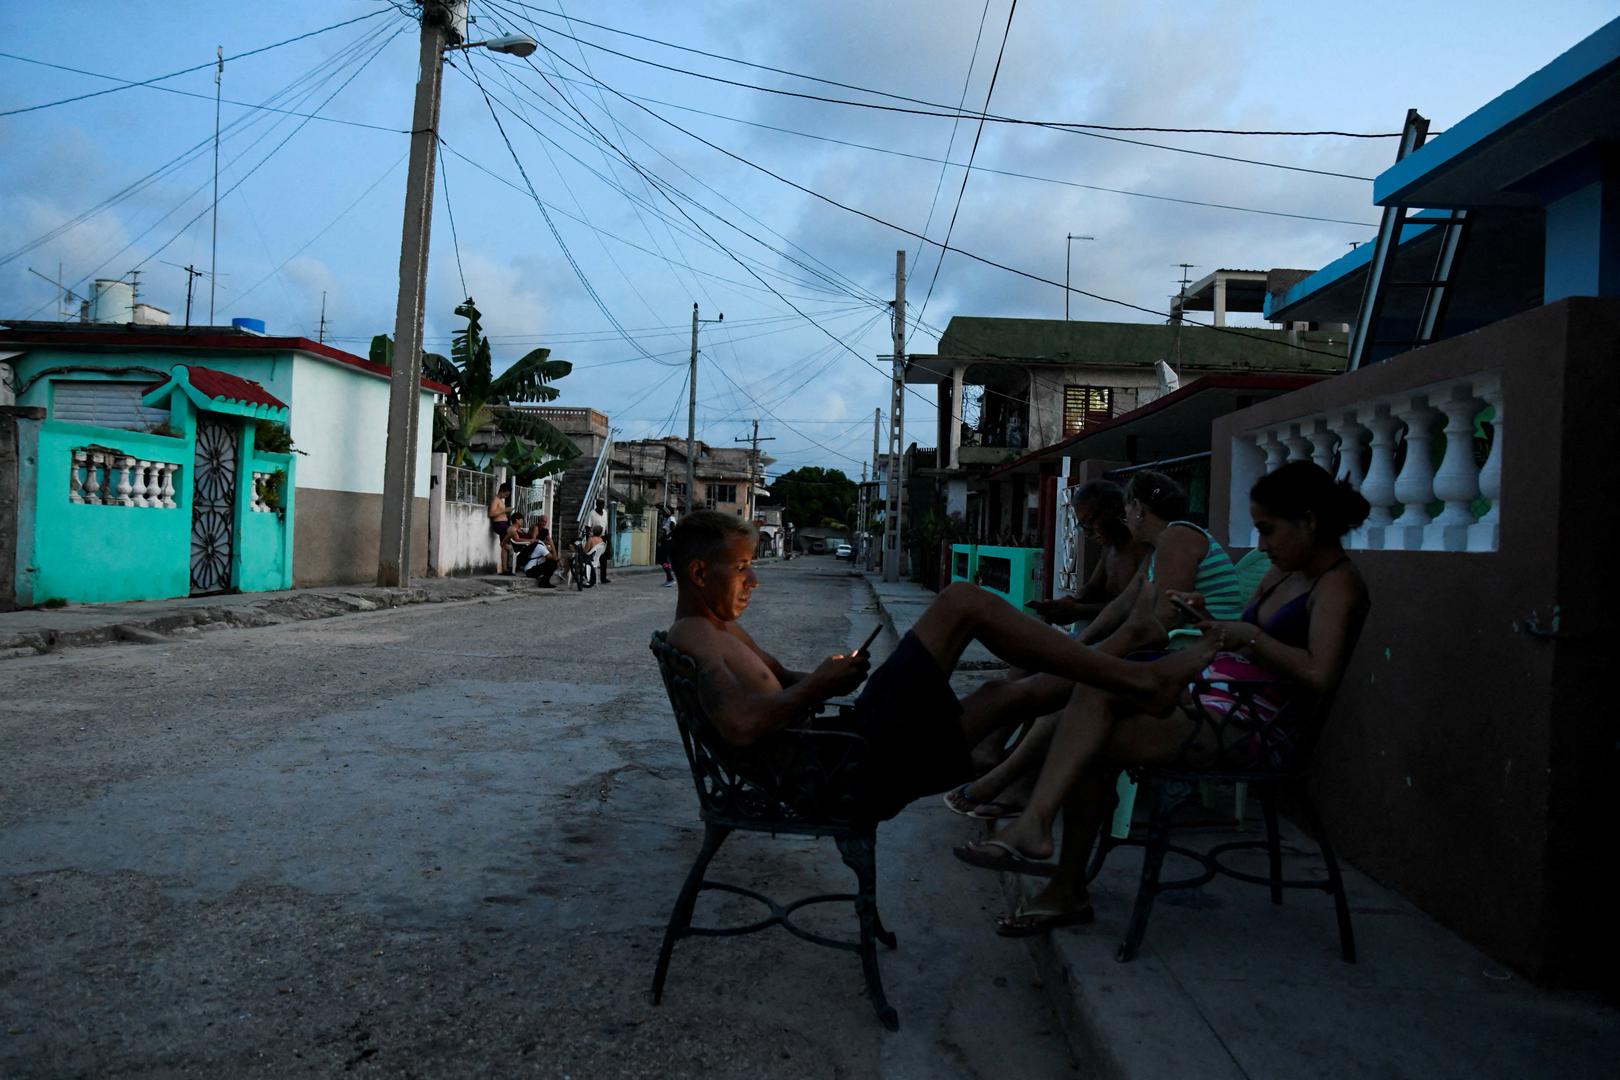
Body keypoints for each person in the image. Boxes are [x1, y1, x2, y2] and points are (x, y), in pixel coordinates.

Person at [954, 462, 1371, 936]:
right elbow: (1223, 633)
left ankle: (1049, 853)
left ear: (1309, 521)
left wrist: (1251, 635)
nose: (1262, 544)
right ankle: (1038, 831)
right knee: (1094, 695)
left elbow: (1319, 675)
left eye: (1269, 530)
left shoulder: (1337, 584)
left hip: (1250, 725)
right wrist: (1210, 620)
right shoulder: (1283, 574)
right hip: (1209, 696)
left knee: (1091, 723)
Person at [664, 511, 1220, 824]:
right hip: (839, 770)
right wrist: (818, 687)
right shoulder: (696, 637)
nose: (753, 581)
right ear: (697, 572)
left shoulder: (717, 628)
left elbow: (784, 684)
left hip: (843, 751)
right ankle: (1140, 675)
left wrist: (832, 674)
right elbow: (739, 724)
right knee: (961, 602)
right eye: (741, 569)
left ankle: (1127, 659)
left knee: (1002, 697)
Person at [945, 471, 1237, 817]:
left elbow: (1161, 620)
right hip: (1172, 655)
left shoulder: (1178, 537)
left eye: (1128, 509)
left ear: (1138, 509)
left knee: (1069, 692)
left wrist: (1087, 654)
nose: (1127, 518)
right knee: (1058, 677)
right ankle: (1001, 768)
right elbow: (1122, 605)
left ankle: (1012, 780)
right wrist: (1079, 646)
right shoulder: (1159, 548)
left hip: (1195, 664)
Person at [1026, 480, 1147, 627]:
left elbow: (1134, 608)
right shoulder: (1110, 548)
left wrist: (1079, 610)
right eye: (1083, 526)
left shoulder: (1142, 548)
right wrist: (1071, 601)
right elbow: (1093, 588)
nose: (1088, 533)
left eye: (1089, 522)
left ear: (1114, 509)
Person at [489, 482, 513, 573]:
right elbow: (491, 513)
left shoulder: (500, 500)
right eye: (506, 494)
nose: (507, 496)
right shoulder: (495, 499)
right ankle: (507, 567)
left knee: (504, 547)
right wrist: (505, 510)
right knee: (506, 545)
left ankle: (505, 569)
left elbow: (499, 512)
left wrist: (506, 512)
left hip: (503, 524)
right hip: (499, 524)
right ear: (502, 491)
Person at [588, 499, 612, 583]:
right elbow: (588, 526)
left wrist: (607, 538)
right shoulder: (592, 513)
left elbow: (606, 526)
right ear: (596, 504)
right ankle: (592, 578)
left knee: (603, 559)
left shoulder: (605, 512)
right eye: (600, 504)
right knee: (594, 558)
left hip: (603, 536)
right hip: (595, 537)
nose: (602, 506)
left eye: (603, 504)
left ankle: (603, 578)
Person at [656, 506, 676, 587]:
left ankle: (670, 578)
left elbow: (673, 531)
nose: (663, 513)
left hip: (668, 542)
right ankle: (669, 578)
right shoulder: (665, 519)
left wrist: (667, 537)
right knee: (662, 559)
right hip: (665, 542)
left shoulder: (671, 519)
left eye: (664, 512)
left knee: (662, 559)